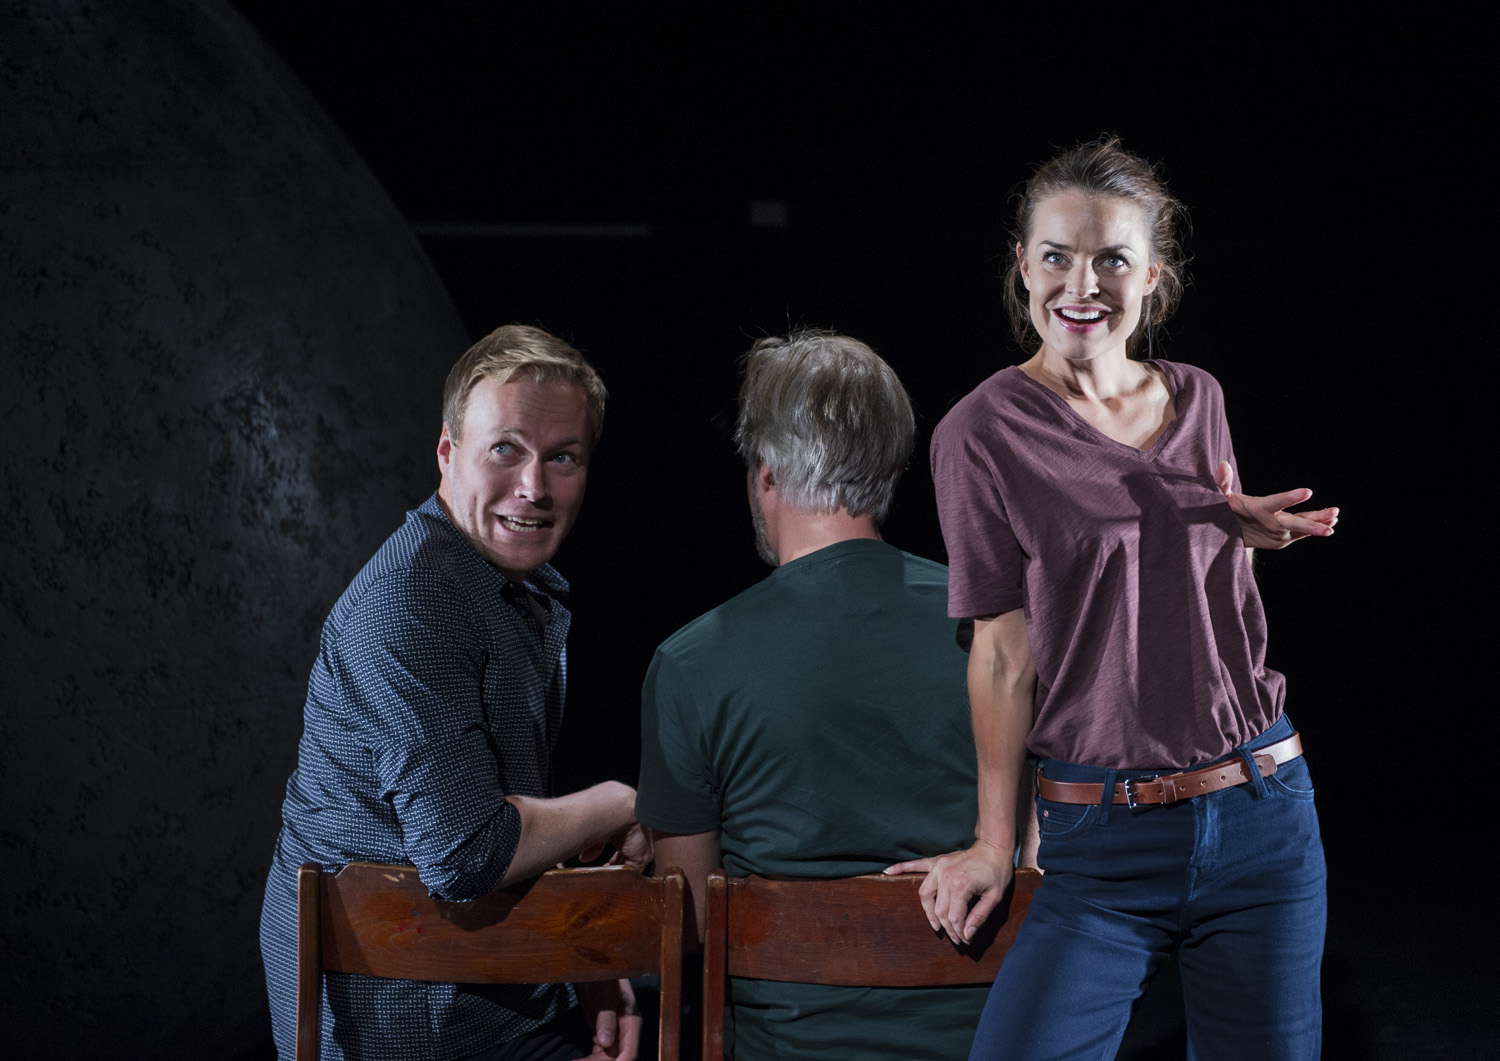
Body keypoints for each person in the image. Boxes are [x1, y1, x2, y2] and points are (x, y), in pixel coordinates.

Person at [886, 140, 1338, 1060]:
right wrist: (995, 841)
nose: (1081, 284)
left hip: (1261, 814)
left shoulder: (1200, 398)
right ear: (1023, 265)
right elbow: (1003, 652)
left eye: (1112, 260)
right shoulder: (979, 433)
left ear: (1153, 277)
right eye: (1057, 255)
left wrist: (1232, 531)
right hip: (1102, 842)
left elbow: (1174, 594)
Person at [259, 324, 650, 1061]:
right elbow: (468, 852)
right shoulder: (410, 602)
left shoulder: (508, 586)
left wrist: (581, 954)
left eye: (563, 457)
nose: (534, 487)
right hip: (403, 1012)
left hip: (486, 973)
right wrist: (620, 803)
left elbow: (499, 822)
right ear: (447, 452)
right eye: (506, 448)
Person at [636, 331, 1002, 1061]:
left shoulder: (688, 664)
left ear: (765, 473)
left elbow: (689, 924)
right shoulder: (996, 632)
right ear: (891, 467)